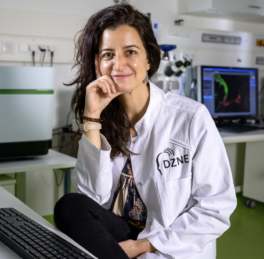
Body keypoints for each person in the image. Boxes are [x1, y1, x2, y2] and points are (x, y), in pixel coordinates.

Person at [54, 4, 237, 259]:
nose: (118, 64)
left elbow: (215, 208)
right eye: (108, 54)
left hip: (170, 243)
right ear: (97, 63)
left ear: (149, 59)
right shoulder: (101, 118)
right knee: (69, 206)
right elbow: (91, 200)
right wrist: (92, 117)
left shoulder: (191, 117)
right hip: (121, 235)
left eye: (130, 51)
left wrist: (142, 246)